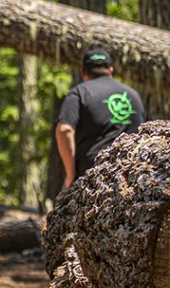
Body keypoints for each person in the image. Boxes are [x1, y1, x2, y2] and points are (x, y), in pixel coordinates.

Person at [55, 48, 146, 188]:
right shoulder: (133, 95)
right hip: (131, 176)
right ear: (110, 70)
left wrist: (70, 173)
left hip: (91, 179)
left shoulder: (79, 93)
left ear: (83, 73)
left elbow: (64, 130)